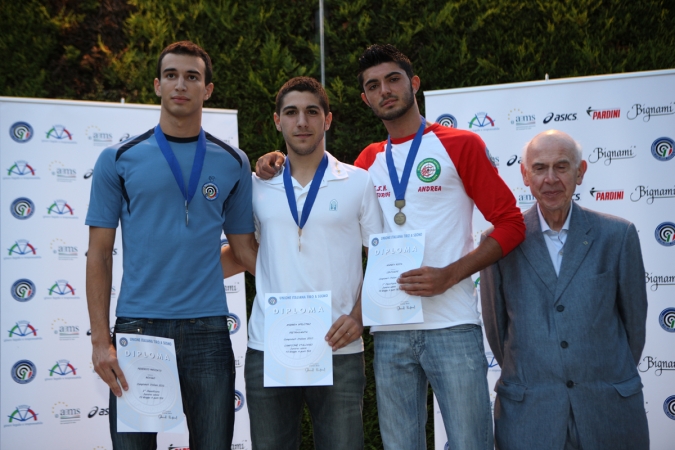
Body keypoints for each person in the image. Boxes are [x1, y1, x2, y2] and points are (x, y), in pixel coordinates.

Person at [256, 44, 525, 450]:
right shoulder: (366, 162)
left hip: (450, 324)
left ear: (413, 83)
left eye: (393, 79)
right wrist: (273, 163)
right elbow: (324, 215)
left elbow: (511, 223)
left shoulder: (460, 144)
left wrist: (451, 274)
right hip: (390, 332)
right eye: (373, 85)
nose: (385, 90)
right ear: (365, 98)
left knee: (471, 443)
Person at [86, 41, 257, 450]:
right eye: (172, 75)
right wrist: (99, 342)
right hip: (138, 330)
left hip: (208, 332)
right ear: (158, 86)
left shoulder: (234, 162)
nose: (181, 84)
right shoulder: (118, 158)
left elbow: (244, 252)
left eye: (192, 77)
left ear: (207, 90)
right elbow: (99, 255)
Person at [221, 76, 382, 449]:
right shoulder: (255, 185)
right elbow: (241, 252)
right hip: (269, 347)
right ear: (277, 121)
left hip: (337, 345)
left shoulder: (358, 182)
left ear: (328, 119)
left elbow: (381, 258)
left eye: (312, 112)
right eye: (291, 113)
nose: (302, 121)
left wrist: (359, 316)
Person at [480, 129, 649, 450]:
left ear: (580, 172)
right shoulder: (498, 243)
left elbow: (633, 328)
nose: (550, 178)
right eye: (540, 168)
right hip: (530, 415)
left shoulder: (618, 235)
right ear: (525, 175)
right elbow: (496, 328)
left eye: (561, 166)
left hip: (608, 411)